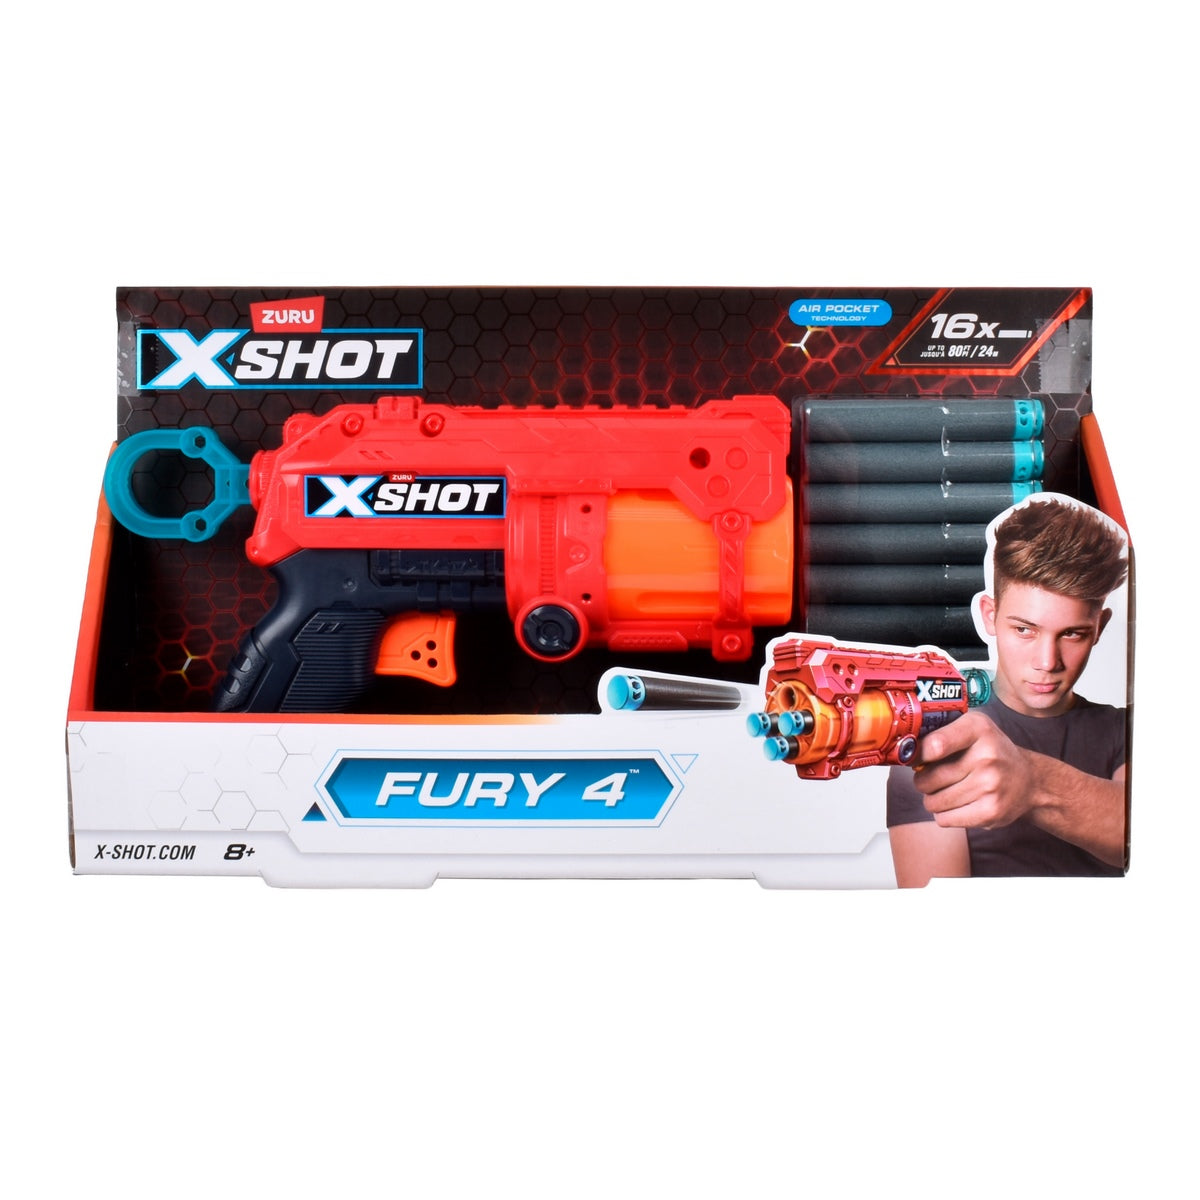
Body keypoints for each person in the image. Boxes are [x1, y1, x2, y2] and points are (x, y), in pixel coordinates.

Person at [887, 495, 1130, 886]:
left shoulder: (1126, 732)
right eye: (1024, 629)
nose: (1047, 661)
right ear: (990, 615)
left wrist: (1033, 783)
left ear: (1099, 628)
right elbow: (938, 915)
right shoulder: (937, 742)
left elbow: (1157, 841)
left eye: (1072, 634)